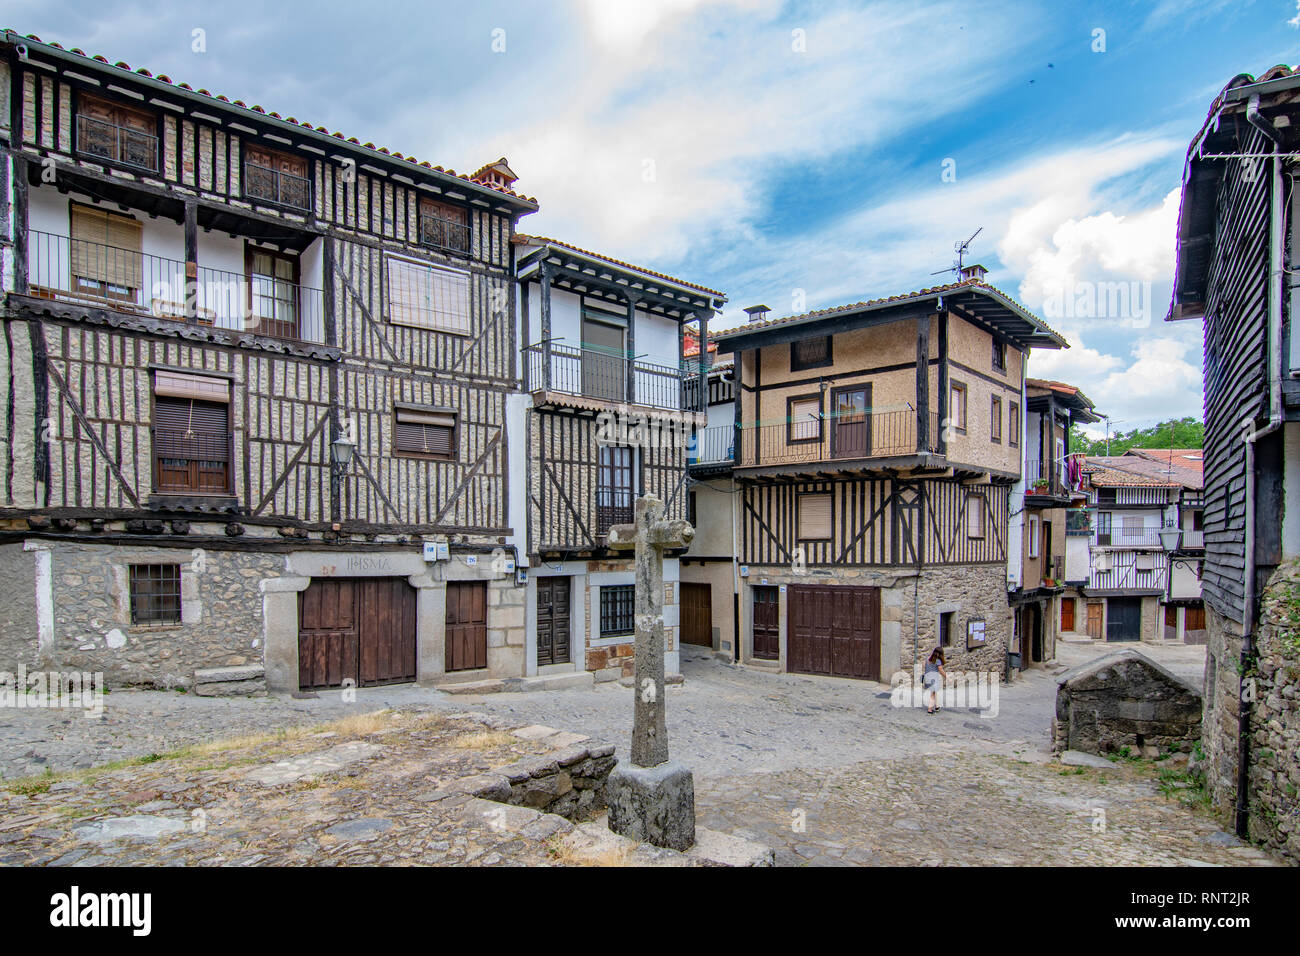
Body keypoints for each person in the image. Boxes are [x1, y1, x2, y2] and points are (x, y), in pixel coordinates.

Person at [923, 647, 947, 714]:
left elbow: (923, 666)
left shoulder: (928, 658)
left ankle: (937, 706)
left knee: (934, 692)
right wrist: (947, 677)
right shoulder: (938, 660)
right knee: (932, 694)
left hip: (927, 678)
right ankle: (930, 709)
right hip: (933, 679)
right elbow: (941, 670)